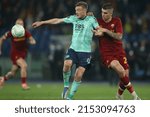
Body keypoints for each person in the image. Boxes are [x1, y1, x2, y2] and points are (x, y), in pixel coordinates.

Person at [32, 1, 99, 100]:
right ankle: (66, 86)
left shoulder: (91, 19)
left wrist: (98, 32)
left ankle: (70, 97)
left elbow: (98, 28)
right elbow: (57, 20)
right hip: (73, 49)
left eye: (79, 10)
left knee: (78, 74)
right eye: (76, 10)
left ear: (85, 10)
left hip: (85, 52)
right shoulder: (73, 18)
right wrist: (42, 22)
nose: (76, 12)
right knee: (67, 64)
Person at [93, 3, 140, 100]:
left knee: (125, 75)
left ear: (111, 14)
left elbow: (119, 36)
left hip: (119, 51)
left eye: (105, 13)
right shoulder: (98, 22)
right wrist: (97, 33)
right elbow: (96, 32)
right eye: (102, 12)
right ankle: (135, 96)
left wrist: (105, 30)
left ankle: (118, 95)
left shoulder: (117, 21)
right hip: (107, 54)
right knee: (120, 70)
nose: (103, 15)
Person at [0, 18, 36, 90]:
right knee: (24, 65)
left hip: (23, 54)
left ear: (23, 25)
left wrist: (32, 41)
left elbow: (32, 40)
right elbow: (1, 39)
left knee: (13, 73)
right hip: (15, 53)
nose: (19, 25)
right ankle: (24, 84)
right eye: (18, 24)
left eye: (21, 24)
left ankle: (2, 79)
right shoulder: (12, 32)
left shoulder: (25, 32)